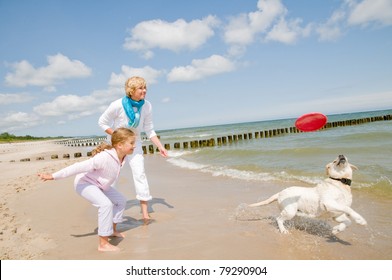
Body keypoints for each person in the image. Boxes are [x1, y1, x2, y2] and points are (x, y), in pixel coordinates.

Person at [37, 128, 136, 252]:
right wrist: (53, 176)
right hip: (85, 183)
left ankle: (112, 230)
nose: (134, 146)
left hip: (100, 184)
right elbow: (78, 167)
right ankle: (103, 244)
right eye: (131, 143)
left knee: (121, 200)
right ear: (120, 145)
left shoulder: (122, 156)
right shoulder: (104, 157)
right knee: (105, 205)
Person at [98, 76, 168, 223]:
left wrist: (160, 147)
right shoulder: (117, 105)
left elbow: (149, 129)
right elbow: (102, 122)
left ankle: (145, 213)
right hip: (117, 146)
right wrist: (118, 137)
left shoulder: (147, 106)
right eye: (141, 88)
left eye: (145, 87)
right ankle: (109, 211)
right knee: (113, 177)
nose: (144, 91)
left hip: (135, 145)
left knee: (140, 175)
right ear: (131, 91)